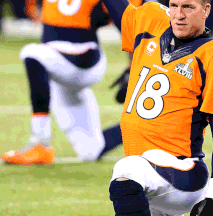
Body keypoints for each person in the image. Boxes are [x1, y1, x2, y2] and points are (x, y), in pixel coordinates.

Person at [100, 0, 213, 215]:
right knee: (130, 174)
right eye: (174, 6)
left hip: (184, 173)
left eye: (188, 7)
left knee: (127, 169)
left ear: (206, 10)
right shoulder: (151, 21)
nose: (179, 14)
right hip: (150, 175)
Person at [1, 0, 147, 164]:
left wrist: (133, 68)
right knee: (91, 151)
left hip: (84, 60)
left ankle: (40, 143)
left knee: (32, 53)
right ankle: (147, 126)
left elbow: (132, 25)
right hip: (57, 65)